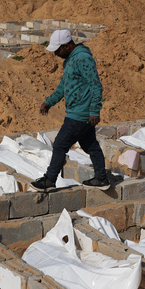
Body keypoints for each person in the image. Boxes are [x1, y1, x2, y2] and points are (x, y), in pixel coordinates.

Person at [31, 29, 110, 192]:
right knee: (91, 146)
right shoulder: (70, 60)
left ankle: (50, 180)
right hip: (78, 112)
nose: (55, 54)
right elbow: (63, 86)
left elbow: (95, 84)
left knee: (60, 144)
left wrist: (95, 110)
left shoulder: (82, 58)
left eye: (57, 50)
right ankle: (101, 178)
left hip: (80, 113)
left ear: (67, 46)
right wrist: (49, 102)